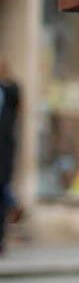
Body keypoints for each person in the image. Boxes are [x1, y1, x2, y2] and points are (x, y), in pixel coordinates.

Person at [0, 57, 20, 255]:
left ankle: (13, 204)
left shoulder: (10, 89)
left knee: (2, 189)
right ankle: (13, 204)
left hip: (4, 152)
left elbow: (17, 110)